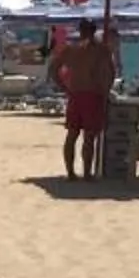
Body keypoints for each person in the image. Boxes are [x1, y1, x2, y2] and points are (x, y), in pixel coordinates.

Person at [49, 20, 115, 180]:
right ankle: (86, 173)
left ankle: (71, 173)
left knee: (72, 135)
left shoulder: (71, 49)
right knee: (89, 136)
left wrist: (64, 87)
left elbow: (53, 69)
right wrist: (105, 90)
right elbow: (111, 72)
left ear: (80, 31)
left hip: (75, 93)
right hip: (93, 94)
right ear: (94, 31)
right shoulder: (101, 50)